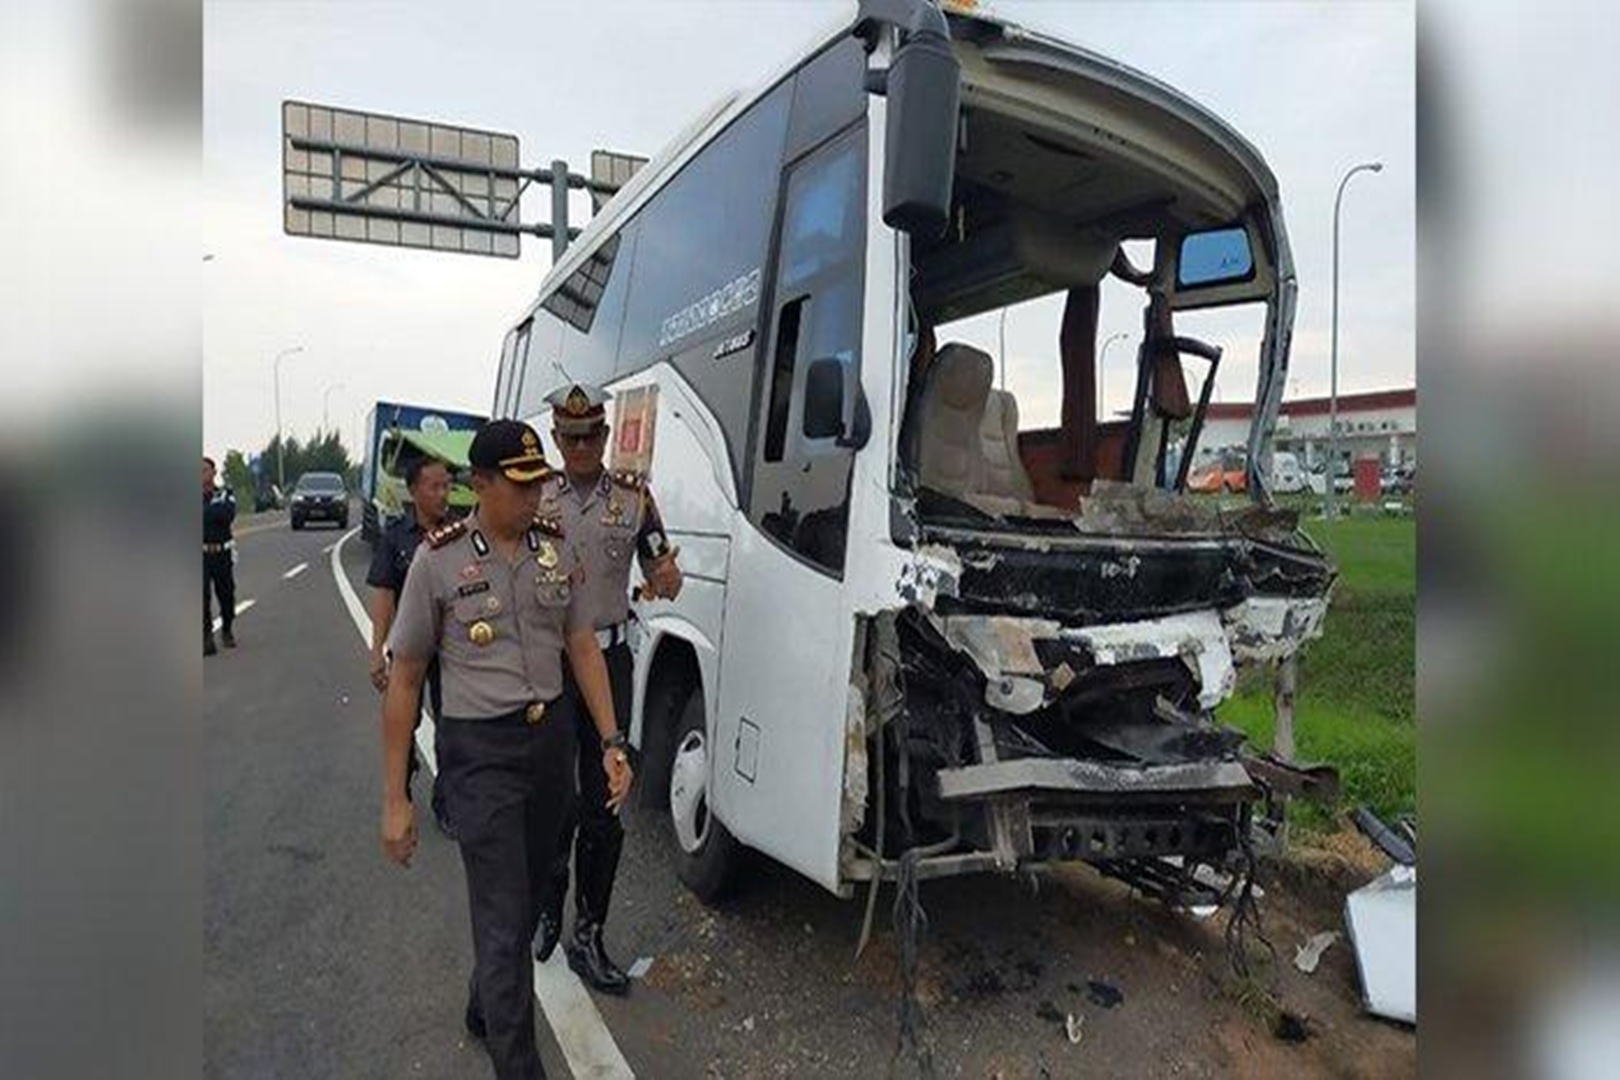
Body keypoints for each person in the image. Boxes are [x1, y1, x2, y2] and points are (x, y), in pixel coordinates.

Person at [381, 419, 633, 1080]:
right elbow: (405, 678)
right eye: (519, 486)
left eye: (538, 484)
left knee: (524, 900)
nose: (533, 498)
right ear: (480, 485)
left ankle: (481, 1004)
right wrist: (395, 799)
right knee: (500, 921)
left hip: (550, 746)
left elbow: (582, 645)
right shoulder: (436, 562)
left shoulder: (554, 552)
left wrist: (610, 741)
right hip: (480, 752)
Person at [531, 382, 683, 997]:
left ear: (605, 433)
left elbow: (661, 576)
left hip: (611, 663)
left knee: (603, 806)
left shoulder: (636, 499)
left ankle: (589, 932)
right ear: (556, 439)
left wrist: (668, 576)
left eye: (593, 434)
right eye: (571, 438)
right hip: (549, 666)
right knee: (549, 800)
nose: (583, 446)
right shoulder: (536, 496)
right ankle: (547, 906)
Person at [367, 454, 454, 834]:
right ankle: (399, 789)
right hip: (409, 648)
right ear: (415, 490)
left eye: (447, 486)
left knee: (452, 728)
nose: (443, 494)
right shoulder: (395, 538)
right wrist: (377, 653)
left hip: (451, 649)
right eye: (435, 486)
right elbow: (385, 597)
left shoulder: (460, 534)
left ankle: (446, 803)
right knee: (404, 720)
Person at [203, 456, 238, 656]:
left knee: (226, 594)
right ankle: (206, 637)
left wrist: (208, 512)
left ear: (214, 473)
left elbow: (228, 515)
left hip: (222, 553)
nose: (202, 475)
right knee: (201, 598)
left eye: (205, 470)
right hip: (201, 554)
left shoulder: (224, 494)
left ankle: (227, 629)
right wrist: (213, 511)